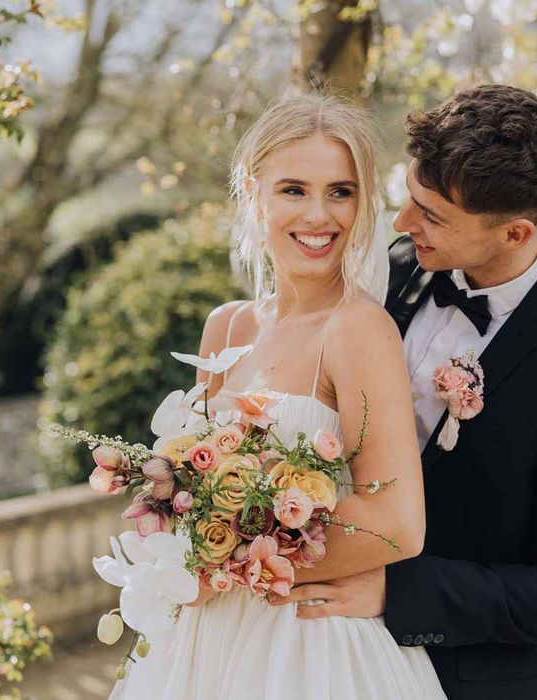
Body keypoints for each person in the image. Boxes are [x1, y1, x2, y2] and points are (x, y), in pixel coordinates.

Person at [273, 85, 537, 700]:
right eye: (411, 198)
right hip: (311, 658)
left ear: (514, 233)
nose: (402, 224)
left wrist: (399, 594)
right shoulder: (388, 273)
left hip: (468, 683)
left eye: (432, 217)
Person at [108, 93, 447, 699]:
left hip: (306, 647)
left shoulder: (358, 329)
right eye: (294, 189)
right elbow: (189, 492)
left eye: (340, 192)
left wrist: (223, 567)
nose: (320, 216)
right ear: (252, 188)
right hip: (205, 640)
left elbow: (397, 524)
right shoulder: (228, 327)